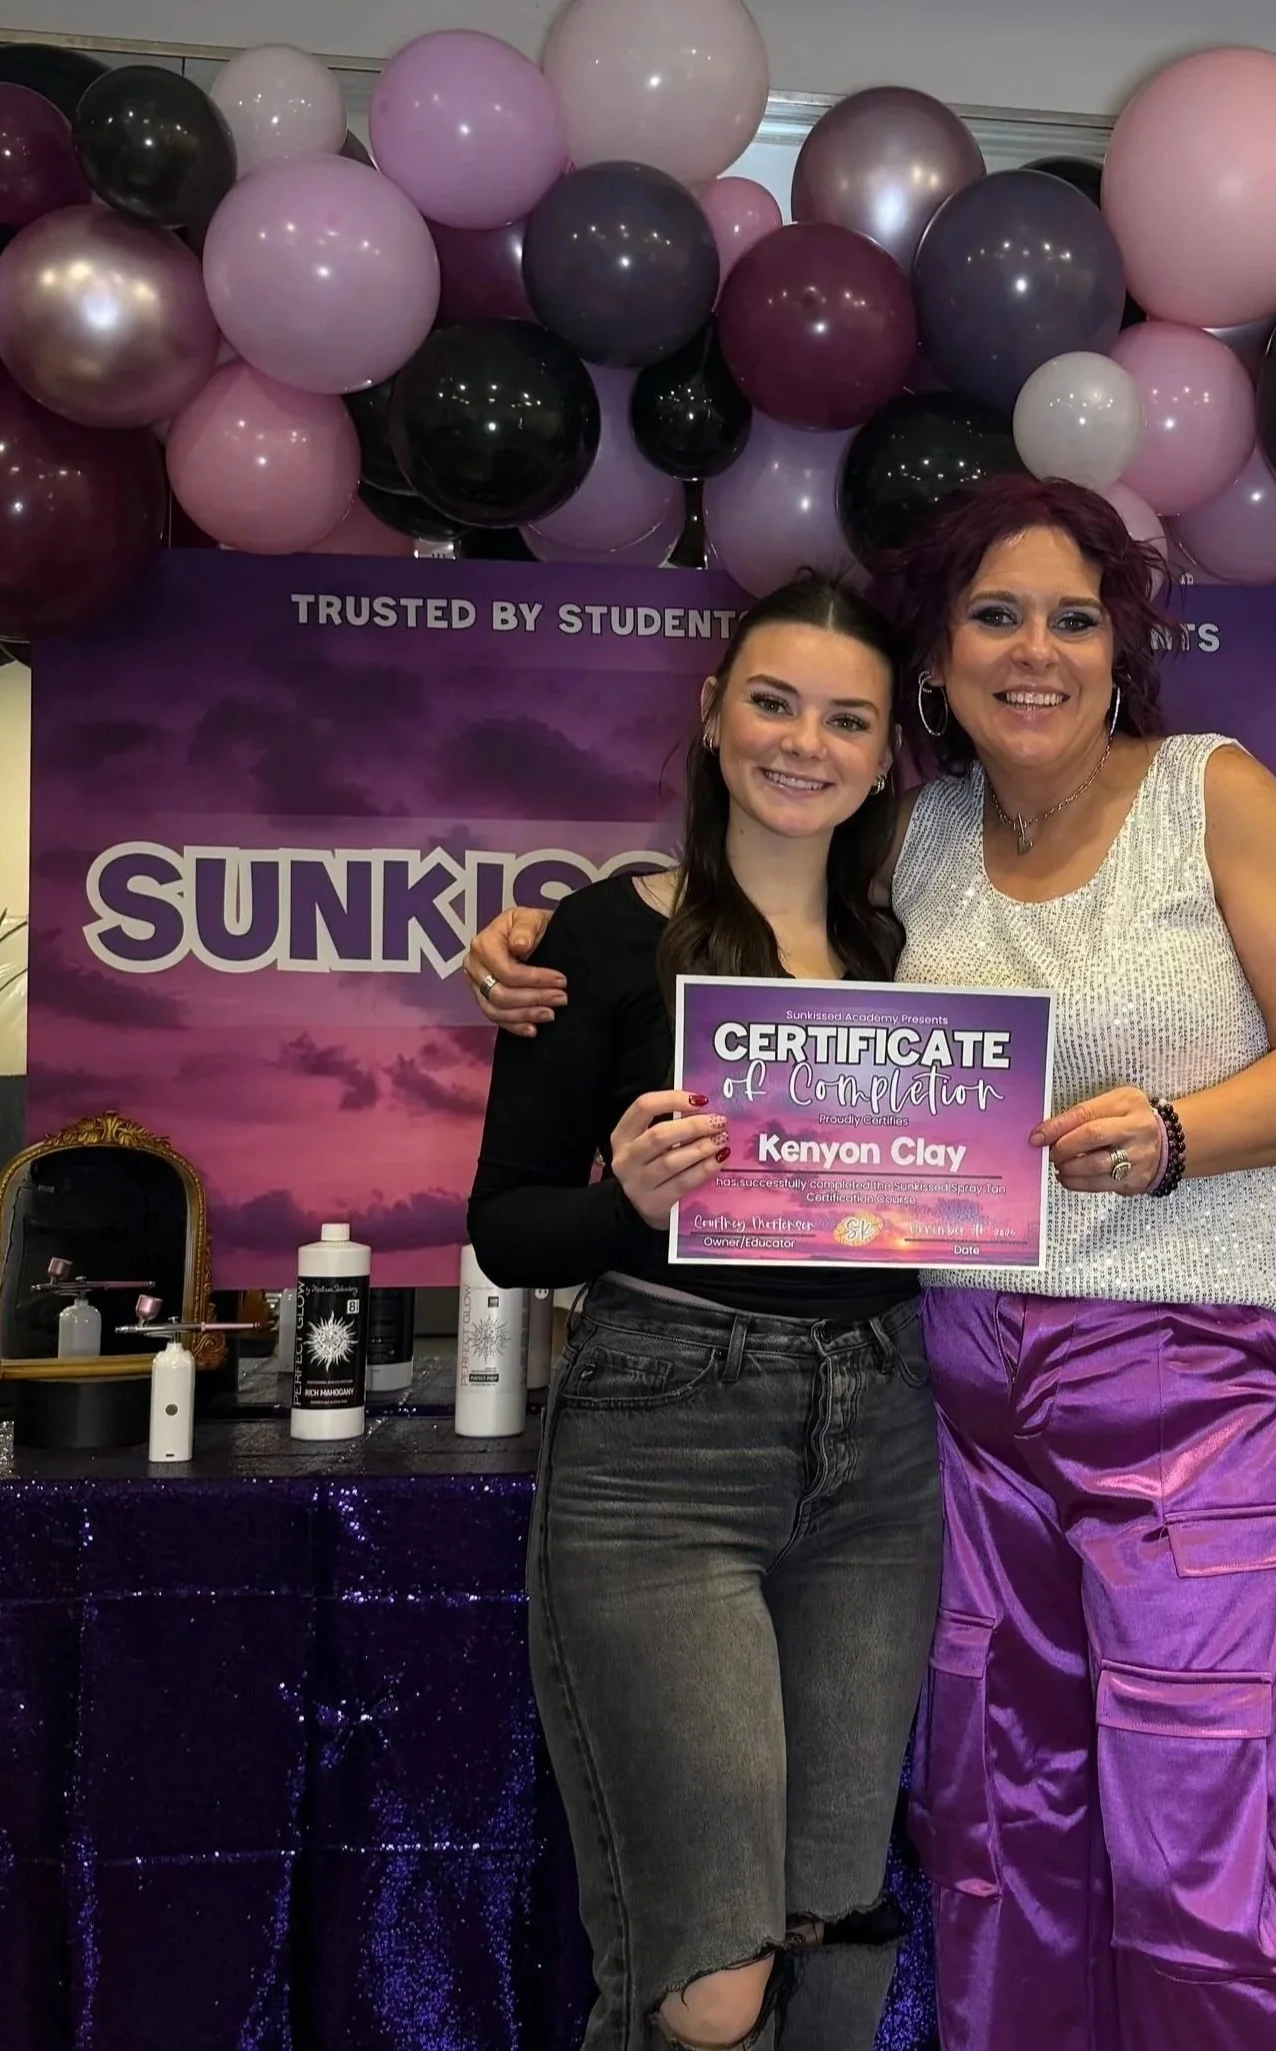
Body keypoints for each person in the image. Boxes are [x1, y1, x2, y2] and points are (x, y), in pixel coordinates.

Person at [469, 475, 1276, 2051]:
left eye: (1072, 618)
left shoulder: (1210, 789)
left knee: (1194, 1844)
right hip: (957, 1397)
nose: (1034, 650)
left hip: (1186, 1379)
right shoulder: (922, 836)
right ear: (938, 660)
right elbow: (746, 930)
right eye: (993, 615)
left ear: (1119, 646)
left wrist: (1179, 1130)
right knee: (997, 1835)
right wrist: (531, 941)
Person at [468, 574, 941, 2051]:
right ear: (713, 712)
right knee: (711, 1973)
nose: (804, 742)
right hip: (662, 1447)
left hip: (882, 1451)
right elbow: (505, 1228)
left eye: (847, 719)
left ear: (885, 756)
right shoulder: (602, 936)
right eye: (774, 702)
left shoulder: (911, 956)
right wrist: (625, 1201)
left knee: (833, 1917)